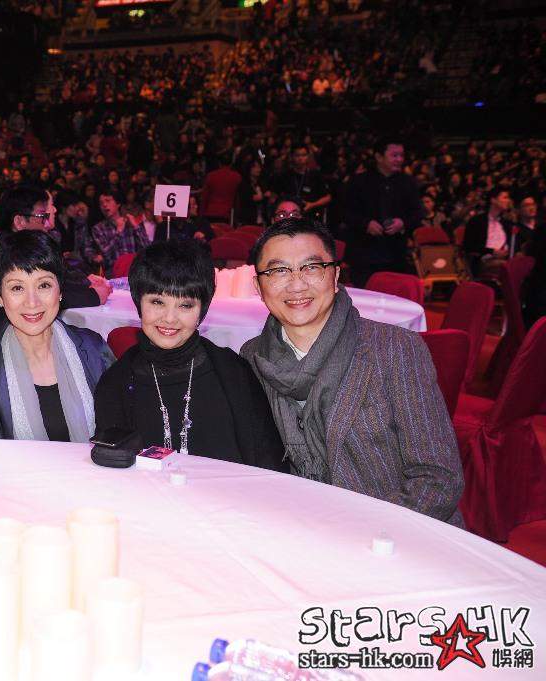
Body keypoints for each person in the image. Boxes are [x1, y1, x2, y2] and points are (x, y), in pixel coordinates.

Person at [240, 218, 464, 525]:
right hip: (301, 528)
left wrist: (363, 534)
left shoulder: (394, 349)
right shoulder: (253, 357)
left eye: (311, 267)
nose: (297, 284)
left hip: (397, 533)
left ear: (335, 275)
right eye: (279, 271)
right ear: (258, 286)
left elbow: (438, 477)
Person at [93, 240, 288, 470]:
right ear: (139, 303)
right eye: (157, 302)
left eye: (185, 305)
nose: (169, 318)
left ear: (201, 311)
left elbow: (270, 466)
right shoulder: (115, 383)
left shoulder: (234, 373)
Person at [0, 231, 114, 441]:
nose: (32, 302)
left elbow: (121, 430)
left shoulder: (94, 350)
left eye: (44, 285)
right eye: (17, 288)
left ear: (60, 289)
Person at [0, 185, 111, 358]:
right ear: (20, 222)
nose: (46, 224)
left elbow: (58, 282)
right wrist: (94, 296)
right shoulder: (9, 254)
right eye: (42, 217)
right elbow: (43, 294)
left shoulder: (16, 246)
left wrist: (89, 287)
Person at [343, 137, 422, 287]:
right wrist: (365, 223)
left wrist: (402, 222)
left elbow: (417, 213)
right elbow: (345, 212)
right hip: (365, 252)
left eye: (401, 155)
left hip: (396, 253)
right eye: (394, 155)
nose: (399, 159)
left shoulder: (408, 183)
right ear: (379, 157)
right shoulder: (359, 181)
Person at [84, 189, 150, 276]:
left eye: (108, 201)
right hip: (112, 273)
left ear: (118, 204)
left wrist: (136, 227)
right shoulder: (98, 228)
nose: (104, 205)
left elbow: (147, 248)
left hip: (134, 270)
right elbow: (106, 254)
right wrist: (118, 233)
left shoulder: (130, 222)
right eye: (101, 203)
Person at [462, 188, 514, 278]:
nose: (508, 201)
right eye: (505, 197)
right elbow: (468, 246)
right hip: (485, 260)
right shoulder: (477, 221)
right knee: (506, 267)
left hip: (506, 259)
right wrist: (492, 251)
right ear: (493, 200)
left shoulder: (507, 223)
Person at [272, 142, 331, 220]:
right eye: (297, 155)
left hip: (310, 217)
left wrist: (312, 204)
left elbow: (327, 197)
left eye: (303, 155)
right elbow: (274, 196)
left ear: (308, 156)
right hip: (289, 217)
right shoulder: (284, 175)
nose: (300, 158)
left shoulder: (315, 175)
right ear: (292, 156)